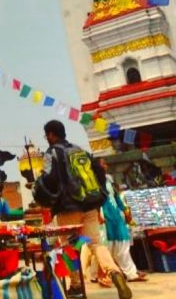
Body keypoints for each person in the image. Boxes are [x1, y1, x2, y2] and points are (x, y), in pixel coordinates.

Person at [33, 120, 131, 299]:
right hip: (90, 205)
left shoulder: (52, 152)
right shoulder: (80, 150)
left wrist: (41, 189)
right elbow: (98, 173)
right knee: (95, 243)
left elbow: (50, 178)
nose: (47, 138)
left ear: (52, 134)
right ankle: (115, 273)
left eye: (47, 134)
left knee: (68, 247)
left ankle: (76, 286)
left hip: (68, 208)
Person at [96, 159, 147, 283]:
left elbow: (116, 197)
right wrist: (99, 215)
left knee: (121, 245)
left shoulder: (108, 180)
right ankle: (105, 274)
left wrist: (125, 210)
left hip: (116, 217)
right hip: (105, 218)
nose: (106, 165)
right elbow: (95, 201)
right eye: (103, 163)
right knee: (107, 248)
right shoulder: (94, 183)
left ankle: (130, 273)